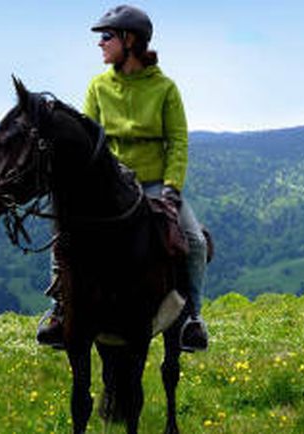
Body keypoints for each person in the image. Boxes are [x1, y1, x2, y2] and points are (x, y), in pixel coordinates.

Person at [36, 4, 209, 352]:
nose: (100, 44)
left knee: (195, 241)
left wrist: (172, 189)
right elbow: (88, 141)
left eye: (106, 37)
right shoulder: (98, 86)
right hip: (110, 183)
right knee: (63, 235)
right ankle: (60, 309)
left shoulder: (165, 89)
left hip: (154, 182)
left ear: (129, 41)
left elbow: (177, 142)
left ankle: (192, 316)